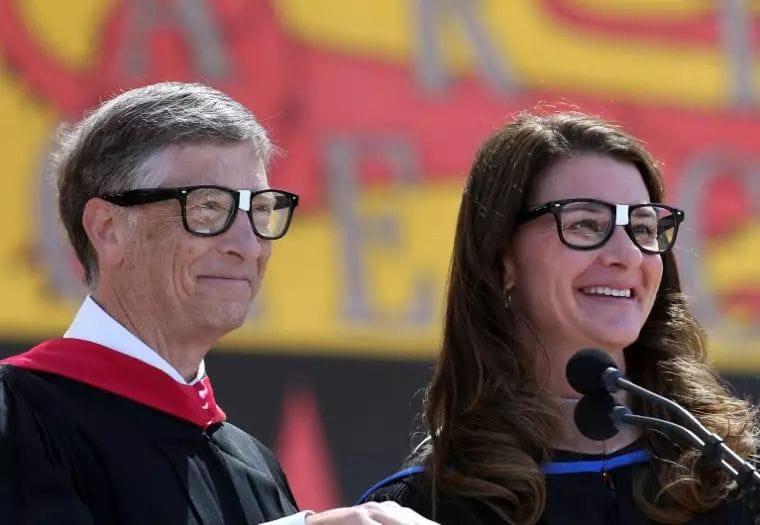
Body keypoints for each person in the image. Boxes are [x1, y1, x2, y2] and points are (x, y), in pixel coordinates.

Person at [0, 82, 438, 525]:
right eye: (209, 208)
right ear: (108, 228)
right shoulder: (17, 416)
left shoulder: (254, 468)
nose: (249, 245)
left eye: (261, 210)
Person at [359, 111, 760, 524]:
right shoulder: (423, 509)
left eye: (642, 228)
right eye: (585, 224)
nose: (627, 256)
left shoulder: (737, 478)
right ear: (502, 258)